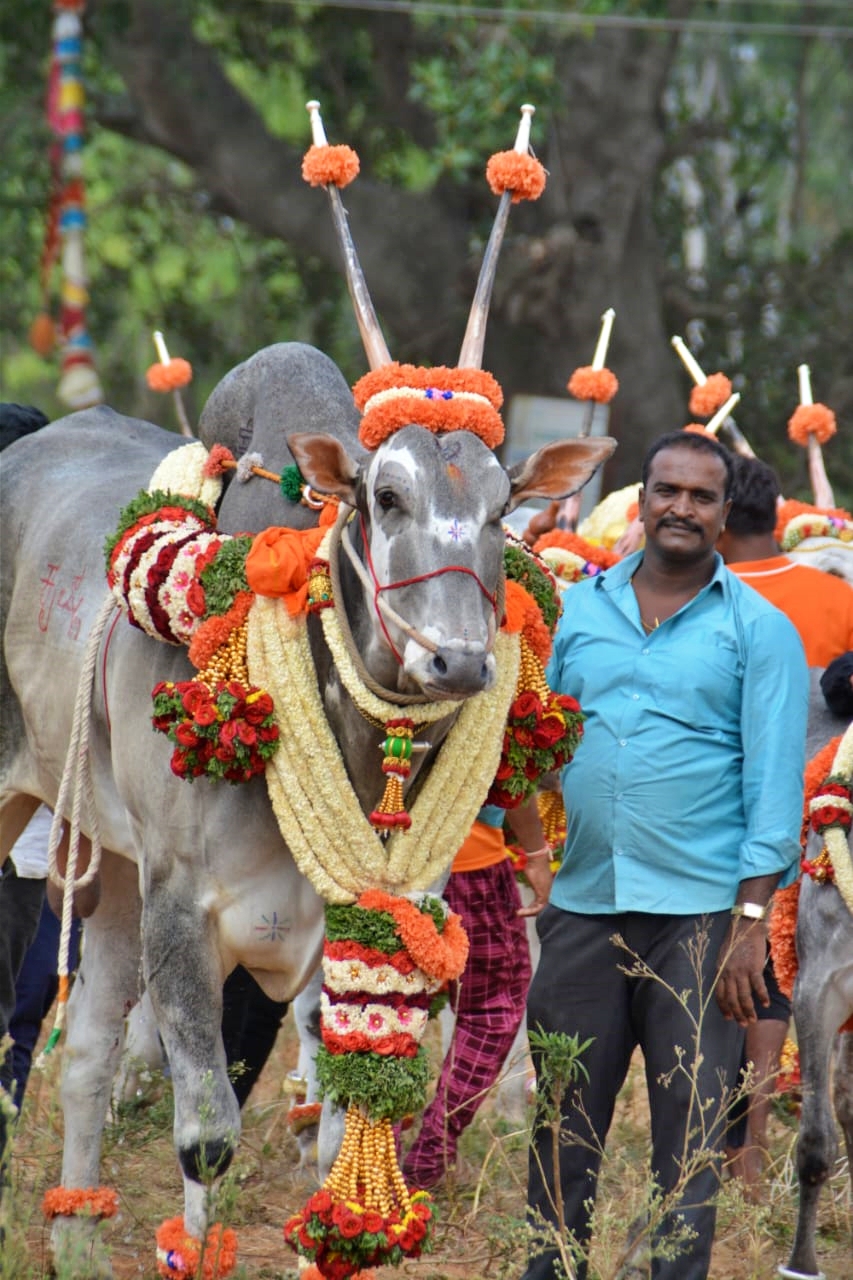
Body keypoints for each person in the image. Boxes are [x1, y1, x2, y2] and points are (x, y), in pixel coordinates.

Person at [523, 430, 809, 1280]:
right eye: (666, 490)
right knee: (561, 1124)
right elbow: (524, 740)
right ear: (639, 500)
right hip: (583, 909)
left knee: (686, 1140)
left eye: (701, 496)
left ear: (725, 513)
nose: (681, 507)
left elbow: (772, 790)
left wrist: (751, 923)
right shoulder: (574, 612)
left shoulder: (761, 631)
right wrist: (531, 846)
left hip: (700, 925)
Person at [718, 453, 853, 1194]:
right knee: (781, 979)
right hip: (818, 824)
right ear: (776, 518)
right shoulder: (834, 595)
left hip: (723, 812)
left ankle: (733, 1150)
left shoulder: (697, 593)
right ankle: (759, 1154)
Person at [402, 797, 552, 1189]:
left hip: (375, 864)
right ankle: (428, 1157)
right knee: (492, 1008)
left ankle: (368, 1156)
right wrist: (536, 851)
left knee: (382, 1005)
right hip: (471, 863)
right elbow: (510, 775)